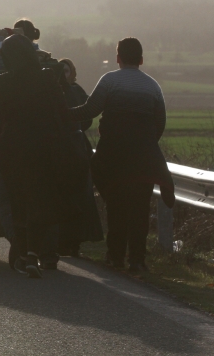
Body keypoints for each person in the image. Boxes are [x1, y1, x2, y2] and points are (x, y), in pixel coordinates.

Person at [68, 37, 175, 273]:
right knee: (140, 209)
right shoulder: (152, 86)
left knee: (116, 205)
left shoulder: (110, 81)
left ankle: (115, 256)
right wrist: (144, 144)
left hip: (114, 158)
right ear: (141, 59)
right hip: (145, 159)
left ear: (118, 58)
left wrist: (60, 113)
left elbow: (89, 110)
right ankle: (137, 259)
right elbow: (160, 122)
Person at [0, 34, 81, 278]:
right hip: (45, 147)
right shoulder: (47, 78)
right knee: (39, 198)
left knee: (17, 200)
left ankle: (23, 253)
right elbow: (62, 113)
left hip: (12, 148)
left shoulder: (1, 82)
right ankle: (34, 252)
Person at [56, 58, 104, 257]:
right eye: (61, 71)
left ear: (72, 72)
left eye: (67, 71)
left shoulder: (76, 91)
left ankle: (75, 240)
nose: (64, 74)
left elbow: (87, 119)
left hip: (76, 146)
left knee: (79, 194)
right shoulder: (53, 92)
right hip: (60, 146)